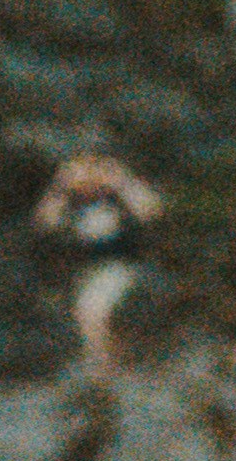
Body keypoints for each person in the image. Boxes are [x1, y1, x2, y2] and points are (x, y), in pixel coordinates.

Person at [38, 140, 165, 387]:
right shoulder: (70, 198)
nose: (88, 178)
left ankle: (102, 369)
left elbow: (151, 210)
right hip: (85, 271)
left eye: (92, 168)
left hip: (125, 265)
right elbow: (45, 222)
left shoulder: (118, 193)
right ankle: (103, 366)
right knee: (86, 311)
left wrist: (122, 181)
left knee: (91, 308)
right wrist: (61, 187)